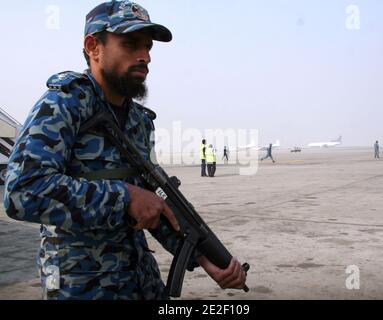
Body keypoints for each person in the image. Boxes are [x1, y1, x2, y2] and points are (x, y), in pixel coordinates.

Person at [4, 1, 246, 300]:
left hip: (141, 281)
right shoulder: (62, 105)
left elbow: (153, 205)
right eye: (130, 44)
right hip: (82, 287)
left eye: (147, 47)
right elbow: (22, 193)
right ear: (94, 46)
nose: (144, 56)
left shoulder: (139, 121)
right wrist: (124, 197)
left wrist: (203, 257)